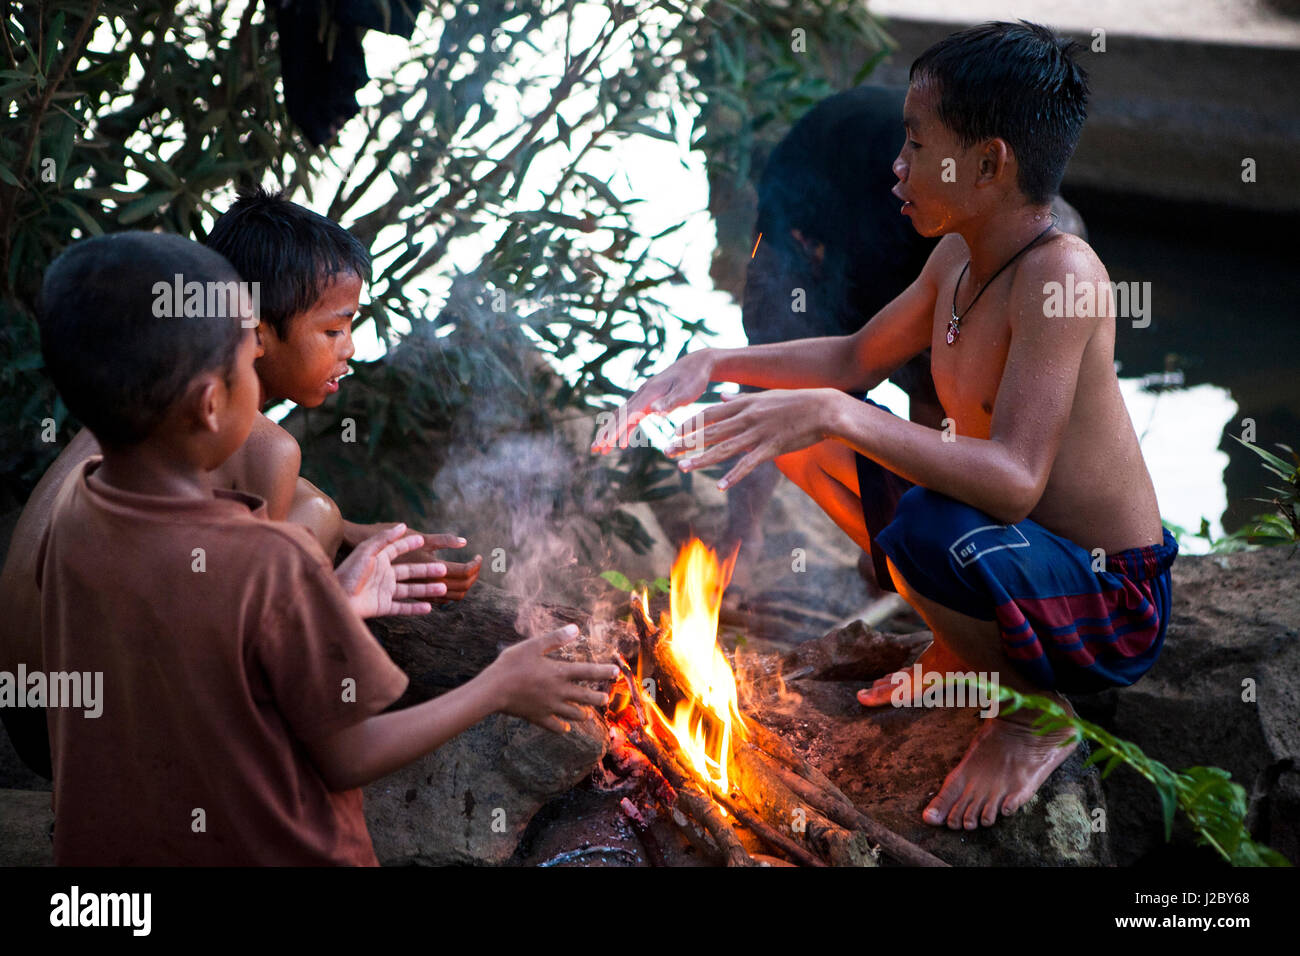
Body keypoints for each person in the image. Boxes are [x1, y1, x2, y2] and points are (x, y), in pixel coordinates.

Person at [593, 21, 1177, 830]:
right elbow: (855, 359)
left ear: (988, 163)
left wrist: (837, 413)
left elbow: (1013, 482)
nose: (896, 167)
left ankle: (1035, 715)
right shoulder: (957, 258)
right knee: (797, 442)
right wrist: (715, 363)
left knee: (927, 524)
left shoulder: (1061, 277)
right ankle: (958, 651)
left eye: (914, 143)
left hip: (1102, 595)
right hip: (1016, 558)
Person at [34, 232, 615, 864]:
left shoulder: (78, 510)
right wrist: (498, 687)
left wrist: (326, 605)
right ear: (210, 403)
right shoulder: (265, 559)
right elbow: (348, 754)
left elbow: (191, 660)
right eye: (246, 353)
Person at [0, 186, 478, 779]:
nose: (349, 351)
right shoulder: (270, 448)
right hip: (98, 742)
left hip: (31, 715)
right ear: (256, 330)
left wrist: (356, 533)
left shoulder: (141, 401)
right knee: (316, 515)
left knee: (319, 507)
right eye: (334, 331)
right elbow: (245, 637)